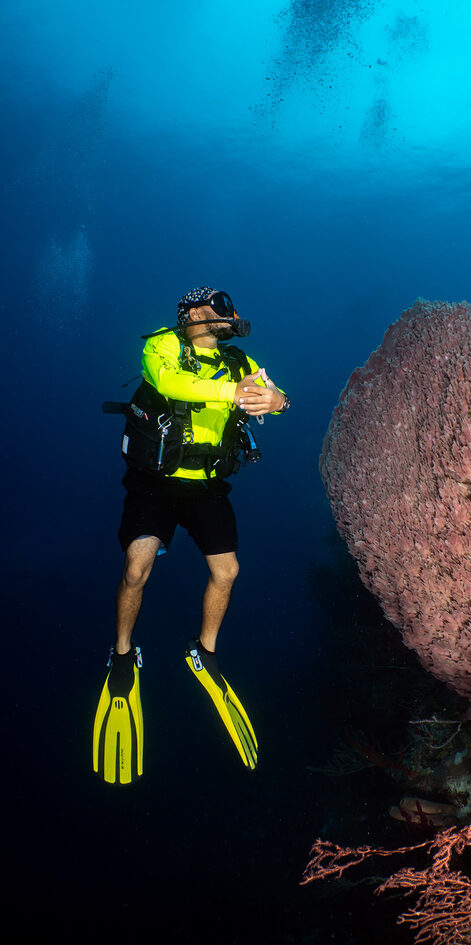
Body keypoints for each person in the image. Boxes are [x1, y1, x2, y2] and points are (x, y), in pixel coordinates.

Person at [93, 286, 289, 784]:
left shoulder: (238, 360)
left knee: (228, 571)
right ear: (197, 314)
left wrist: (276, 399)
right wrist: (236, 393)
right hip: (153, 484)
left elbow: (277, 396)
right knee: (137, 568)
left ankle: (204, 652)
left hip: (206, 486)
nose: (230, 321)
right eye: (221, 314)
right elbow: (171, 384)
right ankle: (122, 655)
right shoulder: (161, 346)